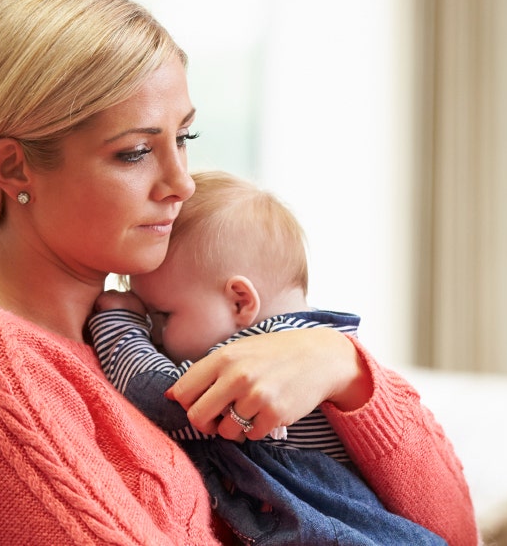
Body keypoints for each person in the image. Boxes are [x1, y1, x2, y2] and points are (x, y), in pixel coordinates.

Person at [0, 0, 477, 545]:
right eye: (133, 153)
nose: (181, 185)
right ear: (13, 169)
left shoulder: (149, 338)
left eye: (184, 138)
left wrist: (343, 367)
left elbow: (451, 531)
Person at [87, 170, 444, 545]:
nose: (154, 335)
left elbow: (162, 398)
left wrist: (119, 324)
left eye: (162, 316)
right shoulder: (318, 334)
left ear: (240, 301)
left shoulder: (265, 352)